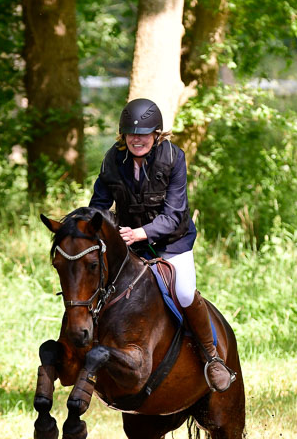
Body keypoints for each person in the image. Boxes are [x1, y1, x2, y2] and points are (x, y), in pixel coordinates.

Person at [89, 97, 234, 392]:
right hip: (131, 244)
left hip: (173, 242)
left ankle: (213, 358)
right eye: (131, 134)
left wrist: (140, 233)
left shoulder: (173, 157)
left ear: (156, 135)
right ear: (123, 135)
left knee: (182, 291)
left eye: (143, 134)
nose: (136, 139)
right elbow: (99, 208)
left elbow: (175, 214)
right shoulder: (112, 161)